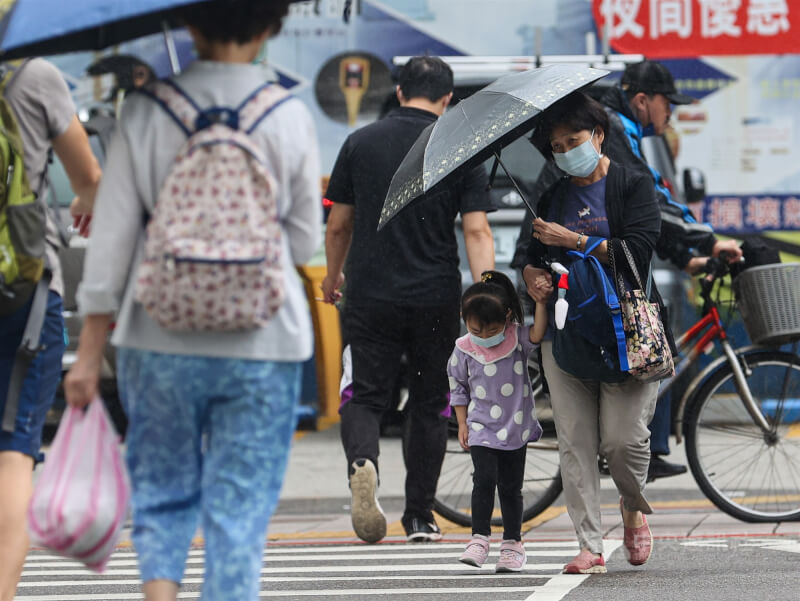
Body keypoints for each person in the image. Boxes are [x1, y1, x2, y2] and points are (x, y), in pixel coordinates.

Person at [64, 2, 321, 600]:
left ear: (191, 25)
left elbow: (113, 240)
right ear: (269, 28)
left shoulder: (146, 109)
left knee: (162, 488)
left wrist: (87, 352)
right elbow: (306, 237)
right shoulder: (287, 113)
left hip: (156, 336)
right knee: (239, 509)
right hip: (264, 340)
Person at [513, 59, 742, 481]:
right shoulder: (612, 134)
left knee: (625, 423)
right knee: (582, 435)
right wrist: (706, 241)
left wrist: (683, 255)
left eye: (572, 142)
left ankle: (639, 463)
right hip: (580, 307)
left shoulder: (621, 139)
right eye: (665, 104)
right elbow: (654, 206)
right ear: (642, 100)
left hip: (613, 296)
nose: (668, 113)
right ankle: (628, 473)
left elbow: (640, 221)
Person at [322, 55, 495, 544]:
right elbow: (477, 229)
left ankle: (363, 462)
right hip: (434, 297)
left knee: (364, 394)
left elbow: (339, 224)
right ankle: (419, 515)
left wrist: (333, 278)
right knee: (430, 403)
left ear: (398, 92)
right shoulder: (459, 146)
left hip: (370, 294)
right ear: (448, 99)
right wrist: (487, 291)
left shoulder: (360, 142)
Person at [522, 91, 666, 574]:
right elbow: (531, 257)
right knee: (575, 442)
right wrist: (532, 277)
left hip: (629, 335)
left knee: (622, 443)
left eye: (574, 140)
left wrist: (577, 241)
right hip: (569, 336)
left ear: (598, 136)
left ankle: (631, 508)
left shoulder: (632, 184)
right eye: (557, 146)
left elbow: (640, 253)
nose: (565, 152)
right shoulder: (552, 196)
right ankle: (589, 544)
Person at [0, 58, 101, 601]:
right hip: (25, 286)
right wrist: (84, 200)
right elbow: (88, 177)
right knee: (13, 450)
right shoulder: (35, 75)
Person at [448, 270, 548, 572]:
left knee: (510, 487)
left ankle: (513, 543)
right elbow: (458, 387)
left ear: (506, 316)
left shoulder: (516, 338)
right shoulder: (464, 347)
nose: (482, 335)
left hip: (515, 425)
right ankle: (479, 539)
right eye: (474, 328)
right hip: (480, 427)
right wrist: (462, 424)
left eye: (489, 329)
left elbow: (538, 333)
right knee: (483, 480)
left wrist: (541, 303)